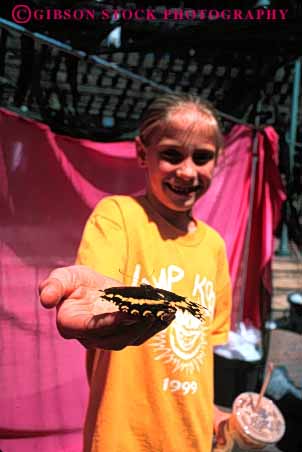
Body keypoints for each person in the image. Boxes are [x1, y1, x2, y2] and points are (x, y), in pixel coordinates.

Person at [39, 93, 232, 452]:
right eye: (172, 154)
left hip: (191, 441)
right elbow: (97, 280)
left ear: (216, 161)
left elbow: (200, 358)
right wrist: (96, 302)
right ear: (143, 154)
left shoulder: (215, 247)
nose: (187, 171)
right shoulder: (118, 217)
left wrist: (215, 415)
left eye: (202, 157)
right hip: (120, 440)